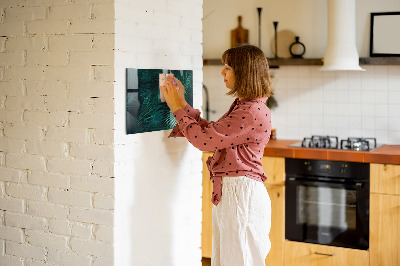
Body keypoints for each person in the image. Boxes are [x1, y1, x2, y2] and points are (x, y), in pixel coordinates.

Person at [161, 44, 273, 266]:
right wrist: (182, 103)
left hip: (241, 195)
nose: (222, 72)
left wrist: (176, 108)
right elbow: (212, 133)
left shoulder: (250, 111)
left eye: (228, 67)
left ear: (244, 72)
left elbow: (204, 141)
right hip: (236, 193)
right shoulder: (246, 106)